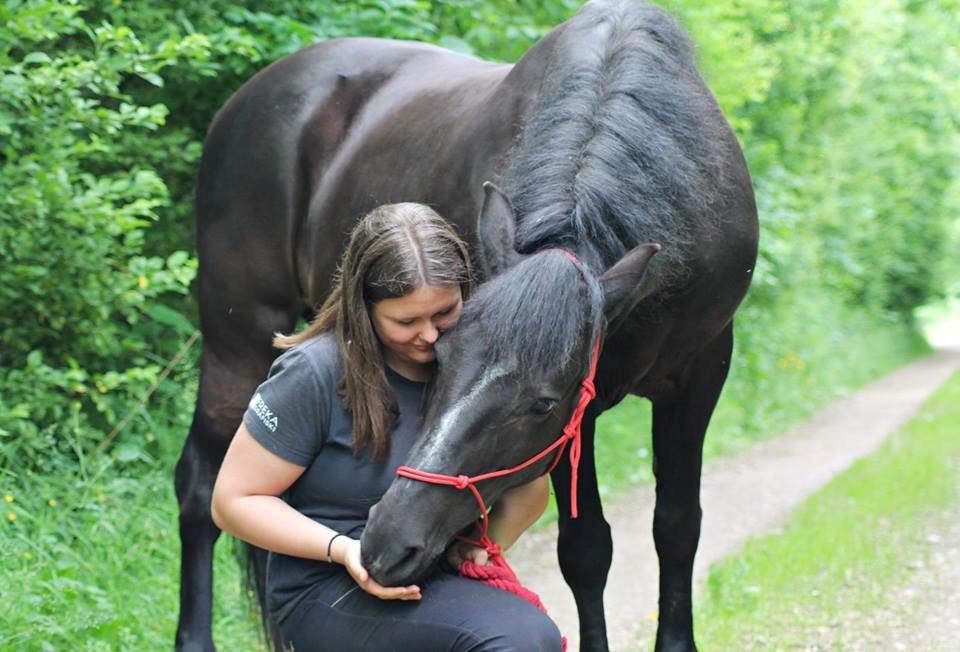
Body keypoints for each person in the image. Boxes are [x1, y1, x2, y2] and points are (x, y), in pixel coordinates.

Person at [211, 203, 562, 651]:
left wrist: (481, 542)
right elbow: (233, 501)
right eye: (406, 321)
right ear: (365, 307)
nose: (430, 336)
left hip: (433, 575)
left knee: (528, 635)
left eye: (444, 312)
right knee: (517, 639)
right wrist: (344, 549)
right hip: (329, 585)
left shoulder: (480, 373)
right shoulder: (313, 373)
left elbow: (528, 491)